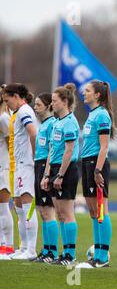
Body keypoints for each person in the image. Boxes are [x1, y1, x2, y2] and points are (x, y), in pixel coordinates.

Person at [76, 80, 115, 269]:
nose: (83, 93)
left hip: (96, 164)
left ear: (97, 95)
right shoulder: (92, 115)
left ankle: (102, 256)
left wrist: (98, 170)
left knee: (101, 209)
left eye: (87, 90)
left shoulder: (101, 115)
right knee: (93, 211)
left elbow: (104, 146)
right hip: (87, 162)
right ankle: (97, 254)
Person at [41, 83, 80, 266]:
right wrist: (47, 174)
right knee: (59, 213)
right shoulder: (57, 122)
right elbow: (52, 150)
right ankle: (64, 253)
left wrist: (61, 175)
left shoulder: (70, 122)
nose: (52, 104)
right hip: (55, 169)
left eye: (55, 101)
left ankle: (70, 254)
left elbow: (69, 151)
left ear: (65, 102)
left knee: (67, 212)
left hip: (67, 170)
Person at [2, 84, 38, 260]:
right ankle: (23, 247)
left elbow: (33, 133)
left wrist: (35, 156)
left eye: (8, 100)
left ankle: (31, 249)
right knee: (18, 206)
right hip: (18, 165)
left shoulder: (24, 112)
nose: (7, 105)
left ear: (16, 96)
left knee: (27, 203)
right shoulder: (19, 112)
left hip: (26, 164)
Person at [32, 93, 58, 263]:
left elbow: (52, 150)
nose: (35, 107)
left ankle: (53, 252)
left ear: (48, 106)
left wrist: (47, 173)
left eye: (39, 104)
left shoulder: (52, 124)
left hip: (45, 166)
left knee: (49, 210)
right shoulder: (42, 125)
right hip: (38, 164)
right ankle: (47, 250)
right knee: (42, 210)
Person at [0, 85, 14, 258]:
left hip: (3, 167)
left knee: (4, 207)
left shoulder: (3, 118)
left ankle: (8, 245)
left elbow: (11, 141)